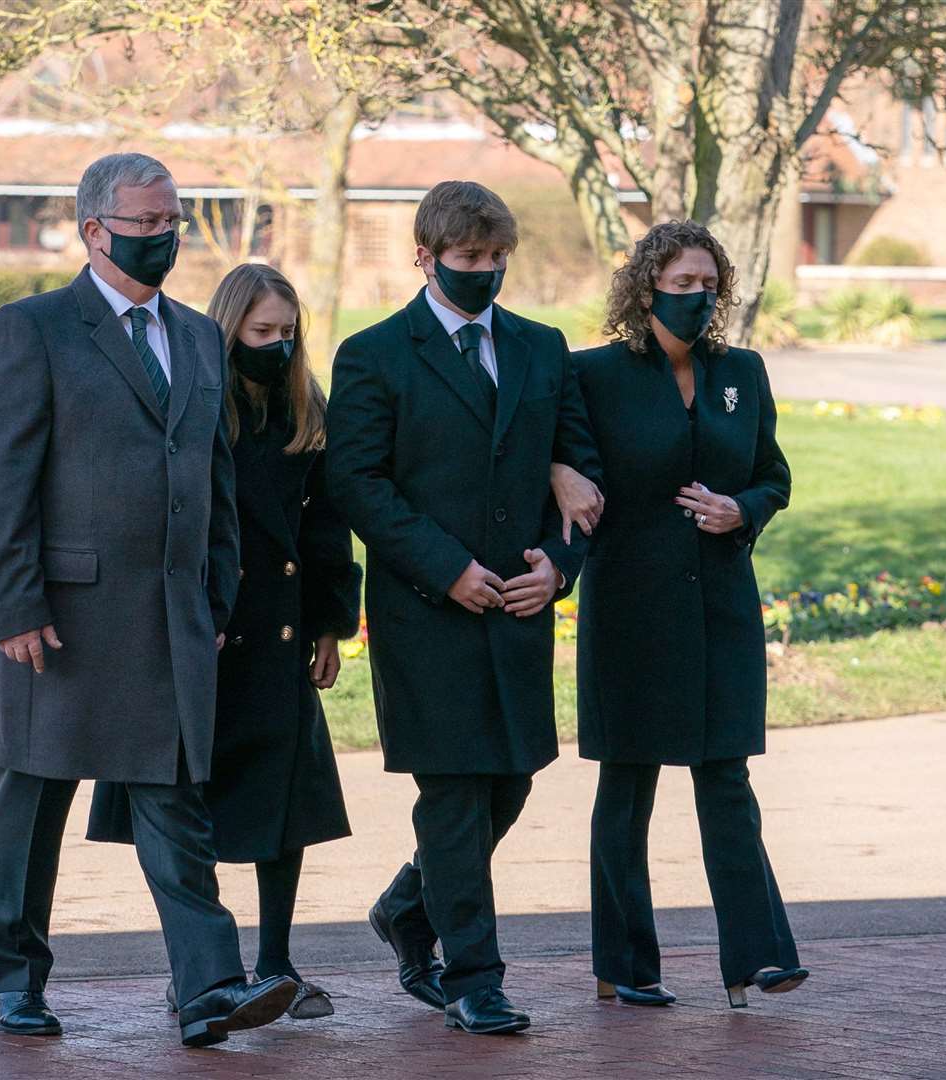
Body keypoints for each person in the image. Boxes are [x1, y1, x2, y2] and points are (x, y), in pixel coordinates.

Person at [0, 152, 297, 1048]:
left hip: (173, 624)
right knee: (30, 811)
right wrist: (14, 607)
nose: (162, 239)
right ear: (94, 229)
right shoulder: (32, 329)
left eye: (171, 222)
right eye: (144, 225)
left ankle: (208, 989)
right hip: (56, 624)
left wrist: (215, 597)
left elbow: (215, 482)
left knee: (177, 811)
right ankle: (15, 979)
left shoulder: (194, 336)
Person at [326, 180, 602, 1035]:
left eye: (495, 259)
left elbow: (583, 477)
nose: (485, 272)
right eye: (468, 259)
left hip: (519, 610)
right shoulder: (373, 354)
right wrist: (446, 570)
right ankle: (473, 976)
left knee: (510, 783)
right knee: (452, 794)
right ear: (425, 256)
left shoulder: (541, 347)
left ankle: (410, 903)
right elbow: (357, 485)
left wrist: (559, 568)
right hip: (426, 612)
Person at [87, 264, 361, 1022]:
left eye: (287, 332)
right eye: (261, 331)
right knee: (188, 802)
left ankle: (276, 962)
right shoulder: (196, 395)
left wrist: (332, 621)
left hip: (280, 626)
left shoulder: (307, 406)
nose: (276, 344)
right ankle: (201, 969)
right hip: (202, 625)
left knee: (285, 801)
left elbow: (326, 519)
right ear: (229, 325)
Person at [560, 219, 808, 1010]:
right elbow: (568, 467)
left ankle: (758, 956)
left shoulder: (743, 372)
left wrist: (744, 508)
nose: (697, 296)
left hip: (722, 605)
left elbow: (773, 475)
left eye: (709, 283)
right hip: (631, 608)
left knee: (725, 776)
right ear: (645, 288)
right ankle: (624, 965)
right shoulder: (594, 375)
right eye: (681, 282)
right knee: (628, 784)